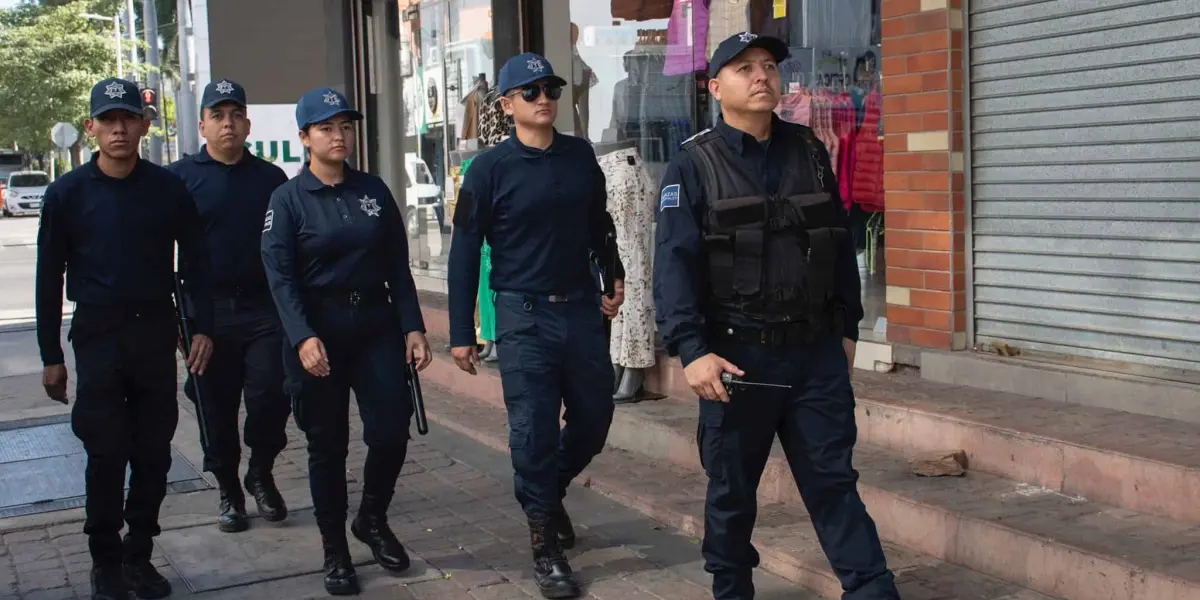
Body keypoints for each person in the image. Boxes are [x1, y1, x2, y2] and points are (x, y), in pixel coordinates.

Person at [651, 33, 902, 600]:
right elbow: (673, 267)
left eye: (768, 66)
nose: (762, 75)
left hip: (815, 357)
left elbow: (837, 244)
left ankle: (873, 591)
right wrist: (691, 351)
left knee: (834, 485)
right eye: (744, 68)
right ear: (715, 87)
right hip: (738, 361)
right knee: (733, 493)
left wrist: (846, 326)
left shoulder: (809, 149)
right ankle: (732, 590)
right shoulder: (692, 164)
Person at [447, 53, 625, 600]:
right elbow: (462, 252)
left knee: (595, 417)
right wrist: (460, 331)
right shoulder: (488, 170)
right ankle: (545, 542)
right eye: (529, 92)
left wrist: (612, 271)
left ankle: (547, 490)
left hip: (579, 309)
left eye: (549, 87)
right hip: (522, 315)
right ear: (506, 105)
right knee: (533, 433)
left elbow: (599, 222)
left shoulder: (579, 156)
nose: (543, 97)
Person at [35, 77, 214, 600]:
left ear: (144, 124)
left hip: (155, 333)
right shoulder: (66, 194)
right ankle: (105, 562)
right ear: (90, 127)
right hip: (98, 335)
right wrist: (51, 356)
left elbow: (198, 263)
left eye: (128, 118)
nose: (119, 128)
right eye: (108, 120)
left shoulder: (166, 189)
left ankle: (139, 553)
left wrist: (201, 325)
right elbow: (49, 279)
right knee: (107, 451)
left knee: (154, 451)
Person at [260, 87, 431, 596]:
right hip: (319, 331)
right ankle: (335, 549)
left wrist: (413, 325)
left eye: (345, 127)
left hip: (375, 325)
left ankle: (371, 517)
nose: (339, 136)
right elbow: (280, 277)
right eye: (327, 128)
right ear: (304, 138)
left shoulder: (373, 190)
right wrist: (301, 336)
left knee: (391, 432)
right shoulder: (287, 200)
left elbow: (397, 265)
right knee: (326, 445)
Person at [166, 78, 291, 534]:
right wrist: (182, 322)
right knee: (214, 408)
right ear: (202, 125)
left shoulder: (270, 179)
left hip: (264, 310)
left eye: (235, 114)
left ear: (248, 123)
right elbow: (164, 251)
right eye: (218, 116)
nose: (228, 124)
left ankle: (260, 471)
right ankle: (229, 490)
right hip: (207, 314)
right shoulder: (180, 179)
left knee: (272, 396)